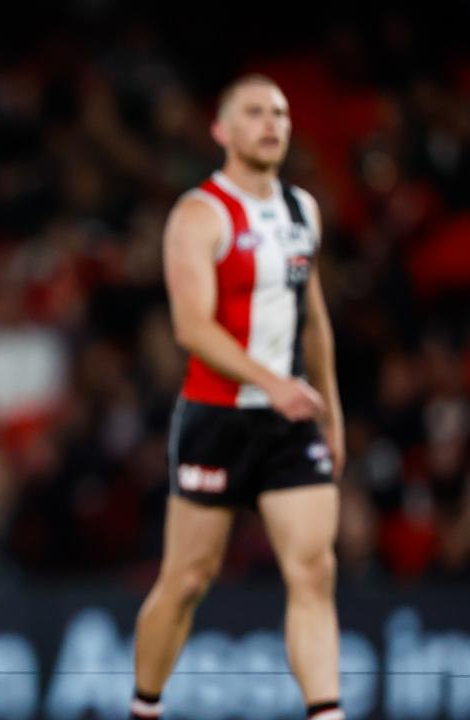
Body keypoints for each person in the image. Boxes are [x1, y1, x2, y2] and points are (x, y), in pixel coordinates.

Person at [130, 75, 345, 720]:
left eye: (280, 111)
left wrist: (329, 408)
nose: (271, 123)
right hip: (216, 418)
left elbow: (314, 317)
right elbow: (191, 326)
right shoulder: (200, 213)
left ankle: (326, 711)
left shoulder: (303, 210)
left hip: (290, 423)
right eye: (254, 112)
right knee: (187, 580)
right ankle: (144, 707)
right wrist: (273, 382)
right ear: (221, 130)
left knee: (314, 572)